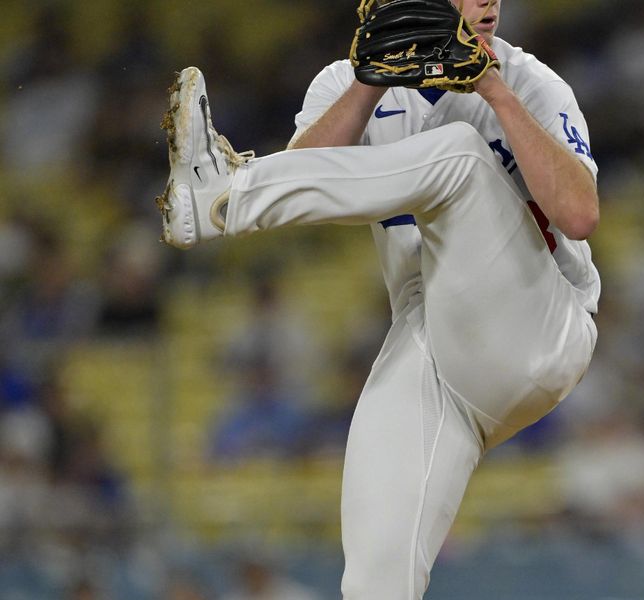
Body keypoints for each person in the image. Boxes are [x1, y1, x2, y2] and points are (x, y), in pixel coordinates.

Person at [156, 0, 600, 597]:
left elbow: (579, 214)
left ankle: (222, 199)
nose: (488, 0)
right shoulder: (345, 83)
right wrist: (368, 80)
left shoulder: (530, 81)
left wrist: (494, 90)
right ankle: (222, 197)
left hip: (542, 320)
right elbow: (306, 183)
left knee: (461, 156)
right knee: (375, 579)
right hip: (435, 344)